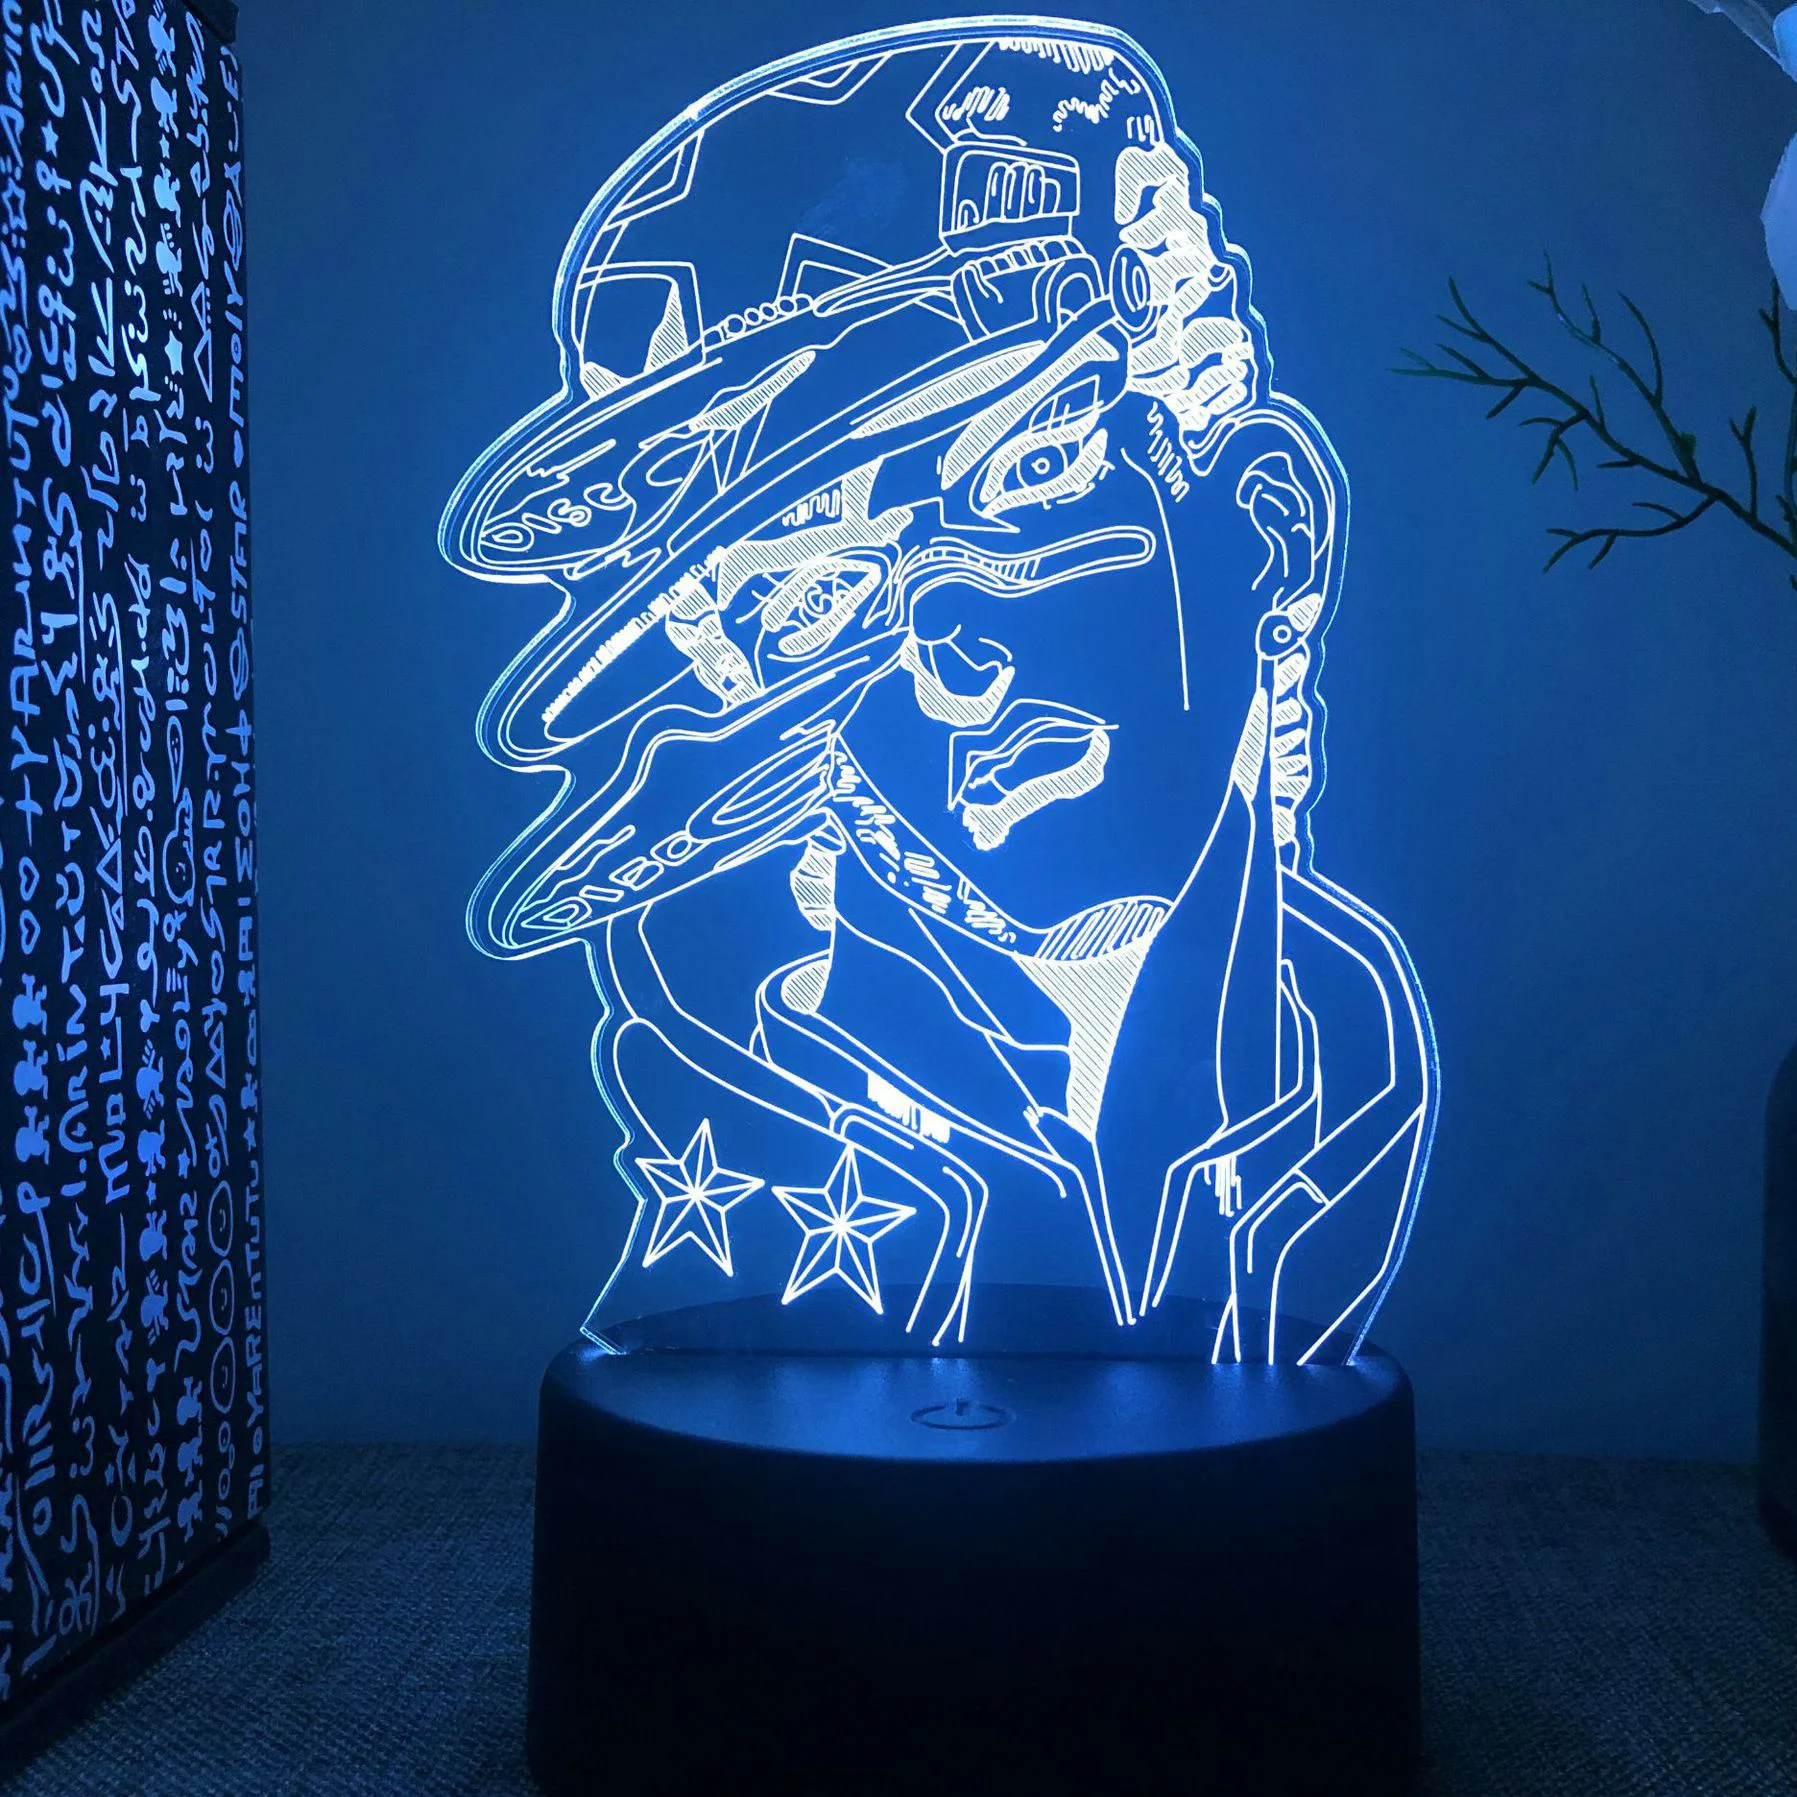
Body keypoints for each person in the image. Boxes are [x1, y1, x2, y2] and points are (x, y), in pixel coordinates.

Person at [440, 20, 1437, 1362]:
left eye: (1033, 470)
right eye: (821, 595)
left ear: (1267, 526)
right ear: (757, 695)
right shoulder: (747, 1112)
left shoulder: (1355, 1070)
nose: (951, 647)